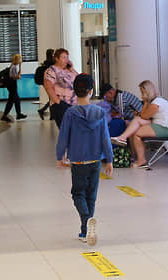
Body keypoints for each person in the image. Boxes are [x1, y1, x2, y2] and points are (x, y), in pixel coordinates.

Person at [55, 73, 114, 246]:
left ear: (74, 91)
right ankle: (85, 230)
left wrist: (60, 156)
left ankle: (87, 221)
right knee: (91, 195)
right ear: (91, 91)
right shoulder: (99, 112)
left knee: (78, 193)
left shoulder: (70, 113)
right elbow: (105, 137)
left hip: (78, 161)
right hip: (95, 160)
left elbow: (63, 137)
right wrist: (109, 159)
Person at [111, 80, 168, 170]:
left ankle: (141, 160)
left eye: (143, 92)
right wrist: (141, 112)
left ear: (148, 92)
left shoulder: (157, 103)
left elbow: (145, 116)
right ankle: (130, 150)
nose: (141, 95)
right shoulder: (154, 102)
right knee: (135, 123)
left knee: (137, 133)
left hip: (164, 128)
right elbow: (143, 116)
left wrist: (145, 103)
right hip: (158, 123)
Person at [44, 48, 78, 129]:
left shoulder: (70, 70)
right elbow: (48, 86)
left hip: (74, 104)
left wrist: (71, 69)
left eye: (67, 57)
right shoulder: (52, 70)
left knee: (74, 130)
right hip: (62, 104)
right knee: (66, 129)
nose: (66, 60)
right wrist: (57, 100)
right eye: (63, 57)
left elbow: (79, 79)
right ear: (57, 58)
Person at [1, 53, 27, 122]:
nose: (21, 60)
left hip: (10, 85)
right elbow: (15, 77)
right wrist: (20, 71)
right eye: (20, 59)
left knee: (17, 100)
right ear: (18, 60)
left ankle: (18, 114)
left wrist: (20, 67)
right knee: (11, 101)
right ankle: (4, 116)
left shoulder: (12, 65)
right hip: (12, 85)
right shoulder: (14, 67)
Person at [35, 48, 56, 119]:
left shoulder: (46, 62)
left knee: (51, 98)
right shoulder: (52, 63)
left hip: (45, 81)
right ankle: (51, 115)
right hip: (51, 82)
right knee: (52, 98)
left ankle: (44, 111)